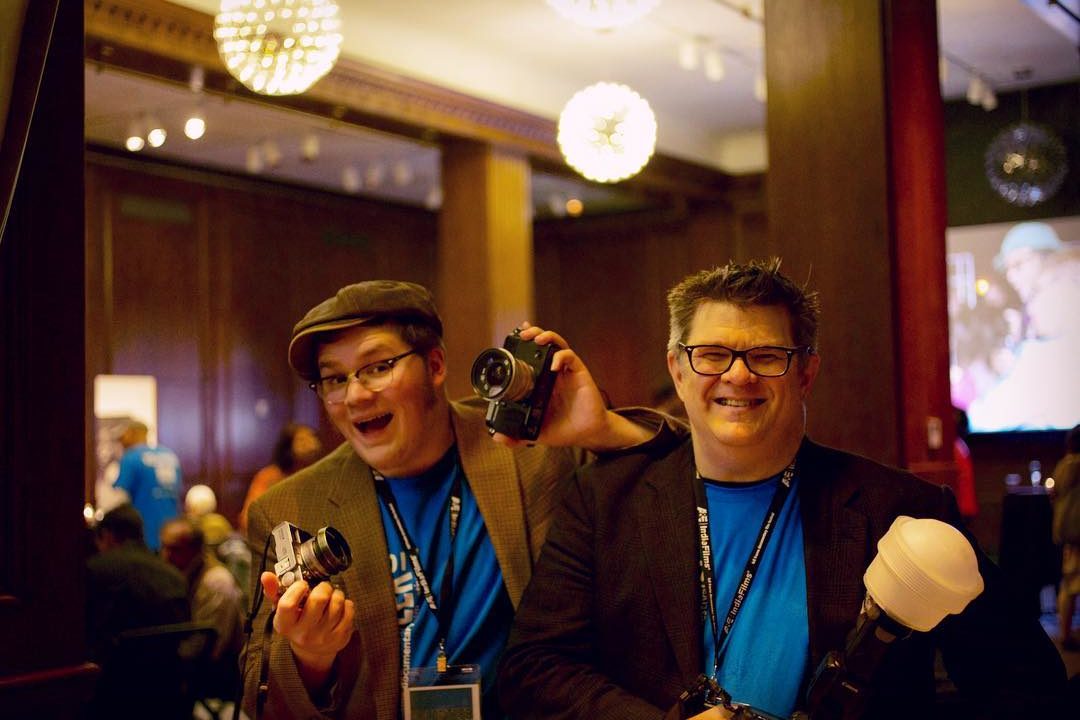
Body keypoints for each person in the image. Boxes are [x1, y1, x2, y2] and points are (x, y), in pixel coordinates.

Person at [497, 258, 1066, 719]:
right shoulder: (602, 500)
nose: (738, 375)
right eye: (712, 355)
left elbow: (1026, 686)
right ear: (676, 369)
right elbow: (534, 669)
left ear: (806, 374)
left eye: (766, 355)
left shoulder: (902, 509)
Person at [241, 279, 672, 719]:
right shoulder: (288, 508)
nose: (354, 395)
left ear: (436, 365)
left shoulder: (529, 454)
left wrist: (603, 430)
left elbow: (690, 477)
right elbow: (257, 698)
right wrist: (312, 658)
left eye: (378, 366)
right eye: (334, 378)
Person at [968, 222, 1080, 431]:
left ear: (1049, 260)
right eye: (1007, 269)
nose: (1011, 277)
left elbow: (990, 417)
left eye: (1018, 264)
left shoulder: (1058, 303)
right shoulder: (1040, 320)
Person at [85, 504, 191, 719]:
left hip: (113, 694)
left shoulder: (96, 569)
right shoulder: (174, 575)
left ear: (107, 536)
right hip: (169, 692)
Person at [159, 517, 246, 691]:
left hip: (221, 675)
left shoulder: (216, 582)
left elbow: (209, 647)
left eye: (174, 549)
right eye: (164, 547)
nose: (165, 555)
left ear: (195, 549)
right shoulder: (183, 574)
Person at [239, 422, 323, 534]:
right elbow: (248, 519)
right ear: (288, 447)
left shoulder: (319, 475)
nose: (311, 444)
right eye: (302, 440)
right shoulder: (270, 476)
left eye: (312, 437)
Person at [112, 418, 182, 551]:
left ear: (131, 433)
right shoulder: (169, 455)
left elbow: (118, 496)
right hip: (172, 534)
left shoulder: (131, 457)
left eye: (122, 437)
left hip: (145, 534)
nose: (121, 443)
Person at [1051, 424, 1080, 651]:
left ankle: (1065, 632)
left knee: (1068, 584)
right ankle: (1067, 635)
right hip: (1077, 533)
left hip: (1068, 534)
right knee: (1072, 584)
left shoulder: (1062, 466)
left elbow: (1054, 494)